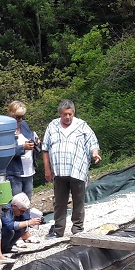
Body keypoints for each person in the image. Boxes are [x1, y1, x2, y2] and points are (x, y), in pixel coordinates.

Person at [42, 99, 100, 238]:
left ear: (73, 113)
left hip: (77, 169)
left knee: (78, 200)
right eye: (65, 114)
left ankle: (78, 229)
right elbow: (45, 149)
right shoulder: (52, 126)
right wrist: (47, 170)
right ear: (60, 114)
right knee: (59, 202)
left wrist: (95, 154)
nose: (68, 117)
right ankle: (58, 230)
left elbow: (93, 142)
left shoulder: (82, 125)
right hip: (59, 170)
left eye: (70, 114)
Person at [6, 100, 39, 200]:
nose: (20, 120)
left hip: (29, 171)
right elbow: (6, 151)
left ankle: (27, 216)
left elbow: (30, 139)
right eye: (18, 117)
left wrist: (36, 143)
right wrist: (22, 148)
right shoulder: (6, 130)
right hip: (14, 174)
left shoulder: (24, 125)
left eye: (22, 117)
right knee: (17, 204)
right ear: (11, 115)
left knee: (27, 203)